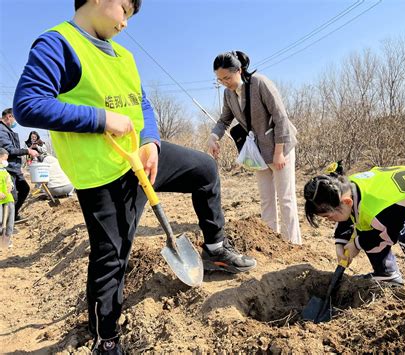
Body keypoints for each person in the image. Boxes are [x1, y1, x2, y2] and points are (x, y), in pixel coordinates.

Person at [13, 1, 256, 353]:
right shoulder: (59, 44)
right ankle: (106, 339)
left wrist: (151, 141)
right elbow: (29, 103)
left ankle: (215, 249)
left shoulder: (123, 56)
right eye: (125, 9)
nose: (126, 22)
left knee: (204, 169)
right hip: (104, 174)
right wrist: (101, 119)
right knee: (111, 257)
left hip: (143, 158)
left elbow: (142, 103)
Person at [208, 51, 301, 245]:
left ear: (239, 70)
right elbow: (224, 119)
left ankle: (292, 244)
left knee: (285, 199)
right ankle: (271, 242)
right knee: (266, 200)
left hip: (279, 146)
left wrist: (279, 153)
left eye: (227, 77)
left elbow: (280, 117)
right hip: (257, 152)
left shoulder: (260, 83)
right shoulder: (228, 94)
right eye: (220, 80)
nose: (225, 82)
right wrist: (213, 136)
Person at [0, 108, 39, 223]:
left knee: (24, 189)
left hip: (14, 168)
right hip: (8, 169)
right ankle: (6, 223)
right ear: (9, 117)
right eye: (15, 118)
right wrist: (27, 151)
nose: (16, 122)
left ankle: (13, 216)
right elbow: (8, 150)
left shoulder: (7, 130)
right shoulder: (1, 130)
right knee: (10, 197)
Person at [0, 148, 15, 248]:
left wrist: (10, 185)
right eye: (5, 159)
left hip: (7, 197)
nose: (6, 161)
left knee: (10, 217)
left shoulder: (4, 169)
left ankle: (6, 239)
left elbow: (9, 180)